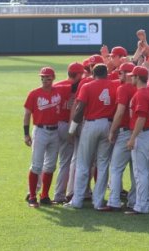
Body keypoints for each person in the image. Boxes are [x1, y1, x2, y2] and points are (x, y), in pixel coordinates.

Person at [65, 64, 117, 209]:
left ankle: (77, 201)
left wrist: (72, 130)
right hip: (108, 124)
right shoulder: (115, 85)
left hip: (91, 124)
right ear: (107, 73)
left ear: (93, 74)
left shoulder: (87, 86)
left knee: (83, 163)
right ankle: (98, 201)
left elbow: (80, 109)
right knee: (102, 164)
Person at [98, 62, 138, 211]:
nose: (118, 75)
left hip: (125, 132)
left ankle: (114, 201)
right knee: (136, 171)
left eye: (120, 73)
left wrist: (112, 130)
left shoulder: (123, 88)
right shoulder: (142, 87)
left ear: (128, 74)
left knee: (115, 168)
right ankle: (134, 201)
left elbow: (120, 112)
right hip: (139, 132)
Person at [23, 67, 62, 208]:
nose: (45, 80)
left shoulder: (58, 92)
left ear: (53, 78)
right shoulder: (34, 93)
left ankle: (44, 195)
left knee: (51, 165)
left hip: (55, 131)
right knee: (36, 165)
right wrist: (26, 134)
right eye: (43, 77)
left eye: (48, 78)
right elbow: (27, 114)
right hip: (40, 131)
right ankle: (32, 196)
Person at [124, 66, 149, 215]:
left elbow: (141, 118)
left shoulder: (141, 94)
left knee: (141, 172)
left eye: (133, 76)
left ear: (138, 78)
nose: (131, 78)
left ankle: (141, 206)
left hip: (142, 134)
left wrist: (132, 138)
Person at [51, 62, 85, 204]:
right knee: (67, 162)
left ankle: (36, 191)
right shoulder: (80, 86)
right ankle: (63, 194)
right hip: (69, 126)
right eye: (81, 74)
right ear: (77, 74)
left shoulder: (57, 86)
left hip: (54, 126)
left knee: (49, 162)